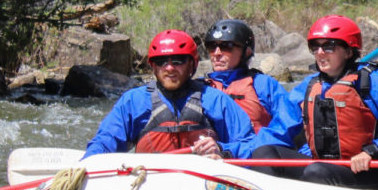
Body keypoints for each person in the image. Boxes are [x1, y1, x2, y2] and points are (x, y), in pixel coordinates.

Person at [251, 15, 378, 190]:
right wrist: (237, 159)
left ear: (348, 51)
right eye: (315, 47)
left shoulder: (377, 81)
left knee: (317, 171)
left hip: (377, 174)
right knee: (264, 154)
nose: (320, 53)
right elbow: (277, 130)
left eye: (329, 46)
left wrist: (375, 150)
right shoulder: (309, 86)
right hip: (327, 169)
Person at [82, 30, 258, 159]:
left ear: (192, 65)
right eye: (161, 61)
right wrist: (88, 164)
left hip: (204, 182)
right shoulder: (133, 101)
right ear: (153, 66)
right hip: (152, 182)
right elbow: (105, 141)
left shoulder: (215, 99)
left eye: (178, 60)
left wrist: (222, 149)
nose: (169, 68)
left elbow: (250, 144)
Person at [201, 18, 303, 151]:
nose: (217, 53)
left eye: (227, 47)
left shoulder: (263, 84)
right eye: (212, 47)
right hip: (209, 160)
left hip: (253, 160)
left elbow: (289, 126)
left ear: (247, 52)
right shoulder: (200, 87)